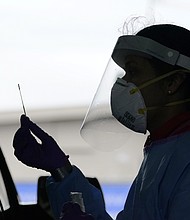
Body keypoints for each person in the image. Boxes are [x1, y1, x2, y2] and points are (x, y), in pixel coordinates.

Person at [12, 21, 190, 220]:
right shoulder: (162, 148)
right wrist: (60, 169)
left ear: (173, 82)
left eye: (133, 72)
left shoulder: (182, 157)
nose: (124, 83)